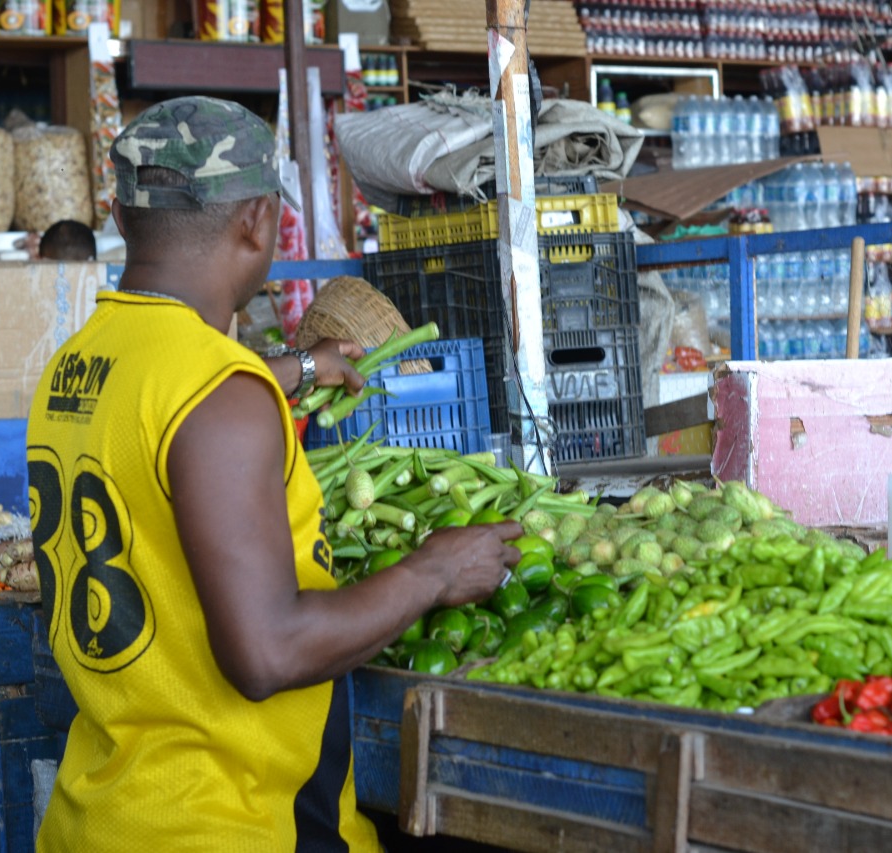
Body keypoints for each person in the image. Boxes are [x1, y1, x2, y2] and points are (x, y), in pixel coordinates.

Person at [29, 96, 522, 852]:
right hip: (226, 823)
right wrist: (434, 570)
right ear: (258, 222)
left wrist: (297, 368)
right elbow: (267, 652)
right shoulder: (219, 393)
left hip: (102, 813)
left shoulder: (77, 363)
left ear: (125, 218)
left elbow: (172, 407)